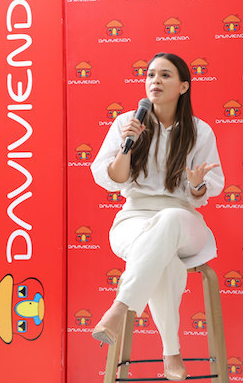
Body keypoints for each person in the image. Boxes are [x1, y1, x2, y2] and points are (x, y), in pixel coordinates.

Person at [90, 52, 224, 381]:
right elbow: (114, 178)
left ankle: (120, 307)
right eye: (150, 75)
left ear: (183, 86)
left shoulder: (199, 131)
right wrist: (126, 147)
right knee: (164, 258)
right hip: (134, 217)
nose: (155, 81)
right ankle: (171, 352)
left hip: (183, 219)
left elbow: (210, 187)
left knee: (168, 223)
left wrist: (195, 187)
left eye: (165, 75)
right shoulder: (126, 123)